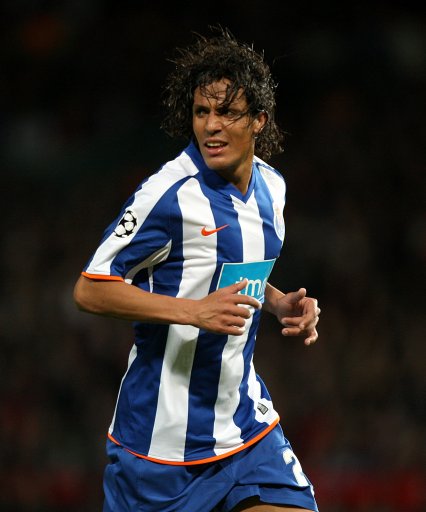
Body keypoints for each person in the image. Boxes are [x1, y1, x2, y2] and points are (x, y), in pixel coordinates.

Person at [74, 28, 320, 512]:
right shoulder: (168, 194)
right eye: (202, 111)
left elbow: (224, 265)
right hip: (159, 451)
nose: (211, 126)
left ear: (259, 120)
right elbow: (90, 289)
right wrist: (192, 312)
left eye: (227, 112)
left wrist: (277, 302)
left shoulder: (272, 187)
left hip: (245, 430)